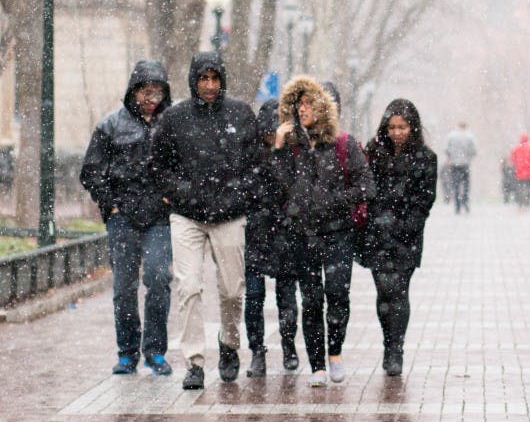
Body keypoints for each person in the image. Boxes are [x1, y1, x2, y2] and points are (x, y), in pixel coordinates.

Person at [150, 51, 260, 390]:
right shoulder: (175, 118)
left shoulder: (240, 114)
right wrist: (180, 191)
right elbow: (158, 165)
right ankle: (194, 362)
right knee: (189, 286)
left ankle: (229, 343)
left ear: (222, 80)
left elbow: (256, 165)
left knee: (231, 289)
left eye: (214, 79)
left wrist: (238, 194)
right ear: (194, 80)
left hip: (229, 214)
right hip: (188, 216)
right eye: (203, 79)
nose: (209, 86)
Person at [272, 76, 374, 386]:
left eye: (308, 104)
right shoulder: (291, 148)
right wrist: (278, 146)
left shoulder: (343, 144)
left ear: (322, 107)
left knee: (338, 293)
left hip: (338, 232)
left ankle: (335, 353)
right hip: (304, 234)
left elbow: (366, 186)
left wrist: (333, 201)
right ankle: (316, 364)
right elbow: (279, 186)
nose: (303, 110)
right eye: (297, 104)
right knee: (312, 299)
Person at [80, 60, 174, 377]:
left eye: (158, 92)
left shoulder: (170, 125)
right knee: (124, 287)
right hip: (123, 218)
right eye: (147, 91)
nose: (153, 98)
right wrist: (112, 205)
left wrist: (169, 197)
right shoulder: (110, 125)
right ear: (134, 91)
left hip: (159, 217)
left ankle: (156, 351)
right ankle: (127, 352)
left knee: (159, 279)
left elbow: (185, 167)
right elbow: (91, 172)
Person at [359, 99, 437, 376]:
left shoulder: (426, 159)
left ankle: (396, 349)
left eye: (402, 127)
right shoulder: (373, 152)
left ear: (412, 127)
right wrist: (378, 224)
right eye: (392, 127)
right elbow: (366, 189)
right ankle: (387, 341)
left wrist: (404, 227)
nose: (397, 132)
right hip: (376, 235)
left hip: (407, 236)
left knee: (399, 291)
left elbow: (425, 200)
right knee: (384, 293)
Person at [243, 99, 302, 376]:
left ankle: (289, 344)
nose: (272, 138)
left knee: (287, 295)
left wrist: (279, 150)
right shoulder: (251, 156)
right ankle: (257, 350)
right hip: (256, 232)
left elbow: (288, 188)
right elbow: (255, 190)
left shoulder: (295, 155)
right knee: (254, 296)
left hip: (286, 233)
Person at [445, 121, 476, 213]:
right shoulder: (470, 136)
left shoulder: (451, 136)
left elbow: (447, 149)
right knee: (466, 184)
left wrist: (451, 157)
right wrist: (468, 157)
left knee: (455, 184)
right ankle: (465, 202)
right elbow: (473, 150)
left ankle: (457, 205)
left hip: (454, 164)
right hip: (465, 164)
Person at [509, 134, 530, 208]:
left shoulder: (516, 149)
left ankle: (520, 201)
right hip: (529, 172)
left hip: (519, 171)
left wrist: (517, 165)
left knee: (520, 187)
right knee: (528, 187)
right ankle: (527, 201)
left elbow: (512, 159)